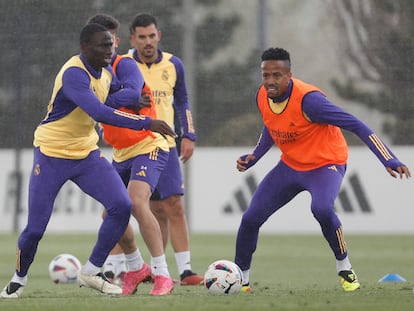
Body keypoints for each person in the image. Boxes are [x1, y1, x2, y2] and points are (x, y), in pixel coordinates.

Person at [0, 23, 176, 299]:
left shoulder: (105, 72)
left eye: (111, 45)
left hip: (85, 154)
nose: (110, 50)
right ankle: (18, 279)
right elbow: (99, 111)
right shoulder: (73, 74)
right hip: (50, 155)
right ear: (85, 47)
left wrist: (127, 99)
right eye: (103, 45)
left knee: (121, 206)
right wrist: (146, 121)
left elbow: (120, 95)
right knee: (35, 229)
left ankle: (92, 270)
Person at [234, 47, 411, 293]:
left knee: (322, 209)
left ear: (289, 75)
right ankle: (240, 281)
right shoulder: (262, 96)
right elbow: (271, 126)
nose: (270, 81)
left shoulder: (310, 101)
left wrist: (388, 158)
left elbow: (356, 125)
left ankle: (344, 267)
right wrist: (255, 156)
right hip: (290, 165)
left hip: (326, 164)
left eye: (277, 75)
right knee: (250, 218)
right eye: (266, 75)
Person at [103, 13, 203, 285]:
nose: (148, 42)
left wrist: (189, 134)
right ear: (132, 39)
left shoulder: (174, 64)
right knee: (118, 206)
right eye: (142, 37)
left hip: (164, 143)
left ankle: (184, 270)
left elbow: (182, 101)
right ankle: (116, 267)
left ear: (159, 35)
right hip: (129, 144)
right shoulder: (120, 64)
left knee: (170, 207)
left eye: (152, 36)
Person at [87, 13, 174, 296]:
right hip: (120, 152)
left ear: (116, 41)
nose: (106, 46)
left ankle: (163, 274)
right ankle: (136, 268)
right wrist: (106, 102)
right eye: (100, 41)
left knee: (137, 202)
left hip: (149, 143)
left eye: (110, 40)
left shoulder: (125, 65)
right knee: (111, 213)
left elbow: (134, 91)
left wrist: (99, 102)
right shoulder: (86, 71)